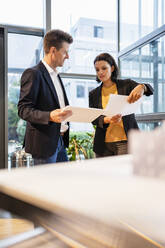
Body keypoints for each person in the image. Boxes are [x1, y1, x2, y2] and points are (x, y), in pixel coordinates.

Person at [18, 29, 73, 165]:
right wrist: (49, 116)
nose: (67, 56)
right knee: (45, 185)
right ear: (53, 50)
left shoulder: (56, 75)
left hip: (60, 142)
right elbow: (23, 109)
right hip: (44, 144)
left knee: (61, 184)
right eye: (65, 52)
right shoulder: (33, 74)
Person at [89, 53, 154, 157]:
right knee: (104, 173)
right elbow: (93, 118)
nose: (100, 72)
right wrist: (107, 120)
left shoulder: (126, 85)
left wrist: (142, 87)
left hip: (125, 142)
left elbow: (150, 89)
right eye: (97, 70)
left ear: (112, 68)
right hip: (103, 144)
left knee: (125, 172)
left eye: (104, 68)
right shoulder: (93, 93)